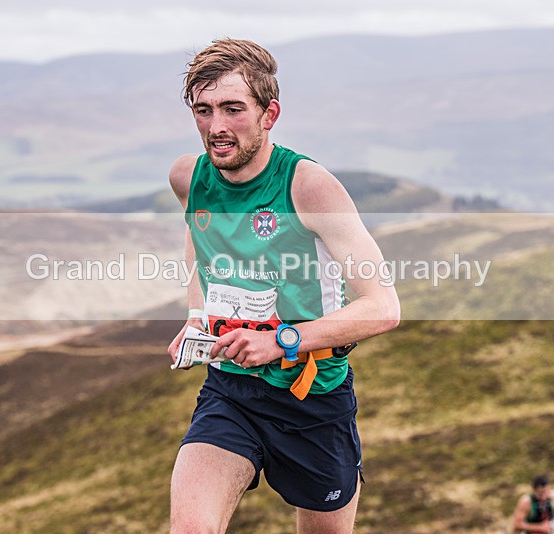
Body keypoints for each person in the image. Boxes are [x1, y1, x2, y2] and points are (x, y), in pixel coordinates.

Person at [166, 38, 400, 533]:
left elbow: (382, 306)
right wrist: (197, 317)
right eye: (204, 110)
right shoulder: (189, 176)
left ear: (269, 114)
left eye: (233, 109)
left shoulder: (309, 186)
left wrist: (279, 341)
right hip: (230, 391)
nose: (217, 126)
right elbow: (196, 234)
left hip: (312, 398)